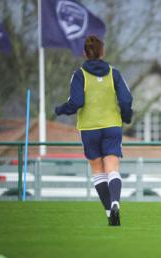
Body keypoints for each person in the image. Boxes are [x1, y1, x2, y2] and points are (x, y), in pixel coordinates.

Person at [55, 35, 133, 226]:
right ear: (102, 52)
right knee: (112, 169)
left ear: (84, 53)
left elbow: (76, 102)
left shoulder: (79, 75)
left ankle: (109, 213)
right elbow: (126, 100)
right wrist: (127, 116)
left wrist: (60, 109)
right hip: (112, 126)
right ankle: (116, 202)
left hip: (89, 129)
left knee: (98, 171)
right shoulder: (114, 74)